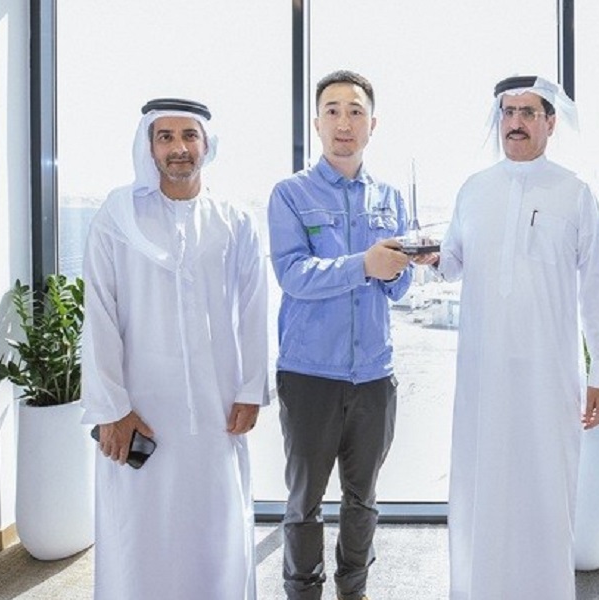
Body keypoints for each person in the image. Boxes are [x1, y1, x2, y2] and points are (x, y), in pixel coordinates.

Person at [432, 75, 599, 599]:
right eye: (508, 113)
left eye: (528, 113)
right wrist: (424, 258)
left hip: (548, 374)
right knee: (481, 484)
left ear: (550, 123)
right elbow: (451, 261)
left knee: (545, 487)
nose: (515, 123)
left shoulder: (575, 193)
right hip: (482, 374)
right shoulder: (474, 189)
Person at [81, 98, 268, 600]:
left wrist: (251, 389)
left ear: (207, 144)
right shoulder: (117, 216)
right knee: (141, 528)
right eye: (165, 137)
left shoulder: (235, 220)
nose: (178, 147)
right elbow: (98, 314)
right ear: (149, 146)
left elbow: (254, 307)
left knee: (215, 522)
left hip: (215, 404)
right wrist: (112, 408)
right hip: (139, 406)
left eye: (189, 136)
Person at [268, 70, 413, 600]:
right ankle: (302, 591)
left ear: (372, 124)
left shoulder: (390, 197)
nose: (344, 122)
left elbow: (400, 287)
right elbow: (293, 275)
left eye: (355, 112)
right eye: (332, 111)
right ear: (317, 123)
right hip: (310, 374)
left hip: (374, 375)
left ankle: (355, 589)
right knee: (303, 501)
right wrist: (364, 265)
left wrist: (401, 267)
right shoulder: (290, 194)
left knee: (363, 498)